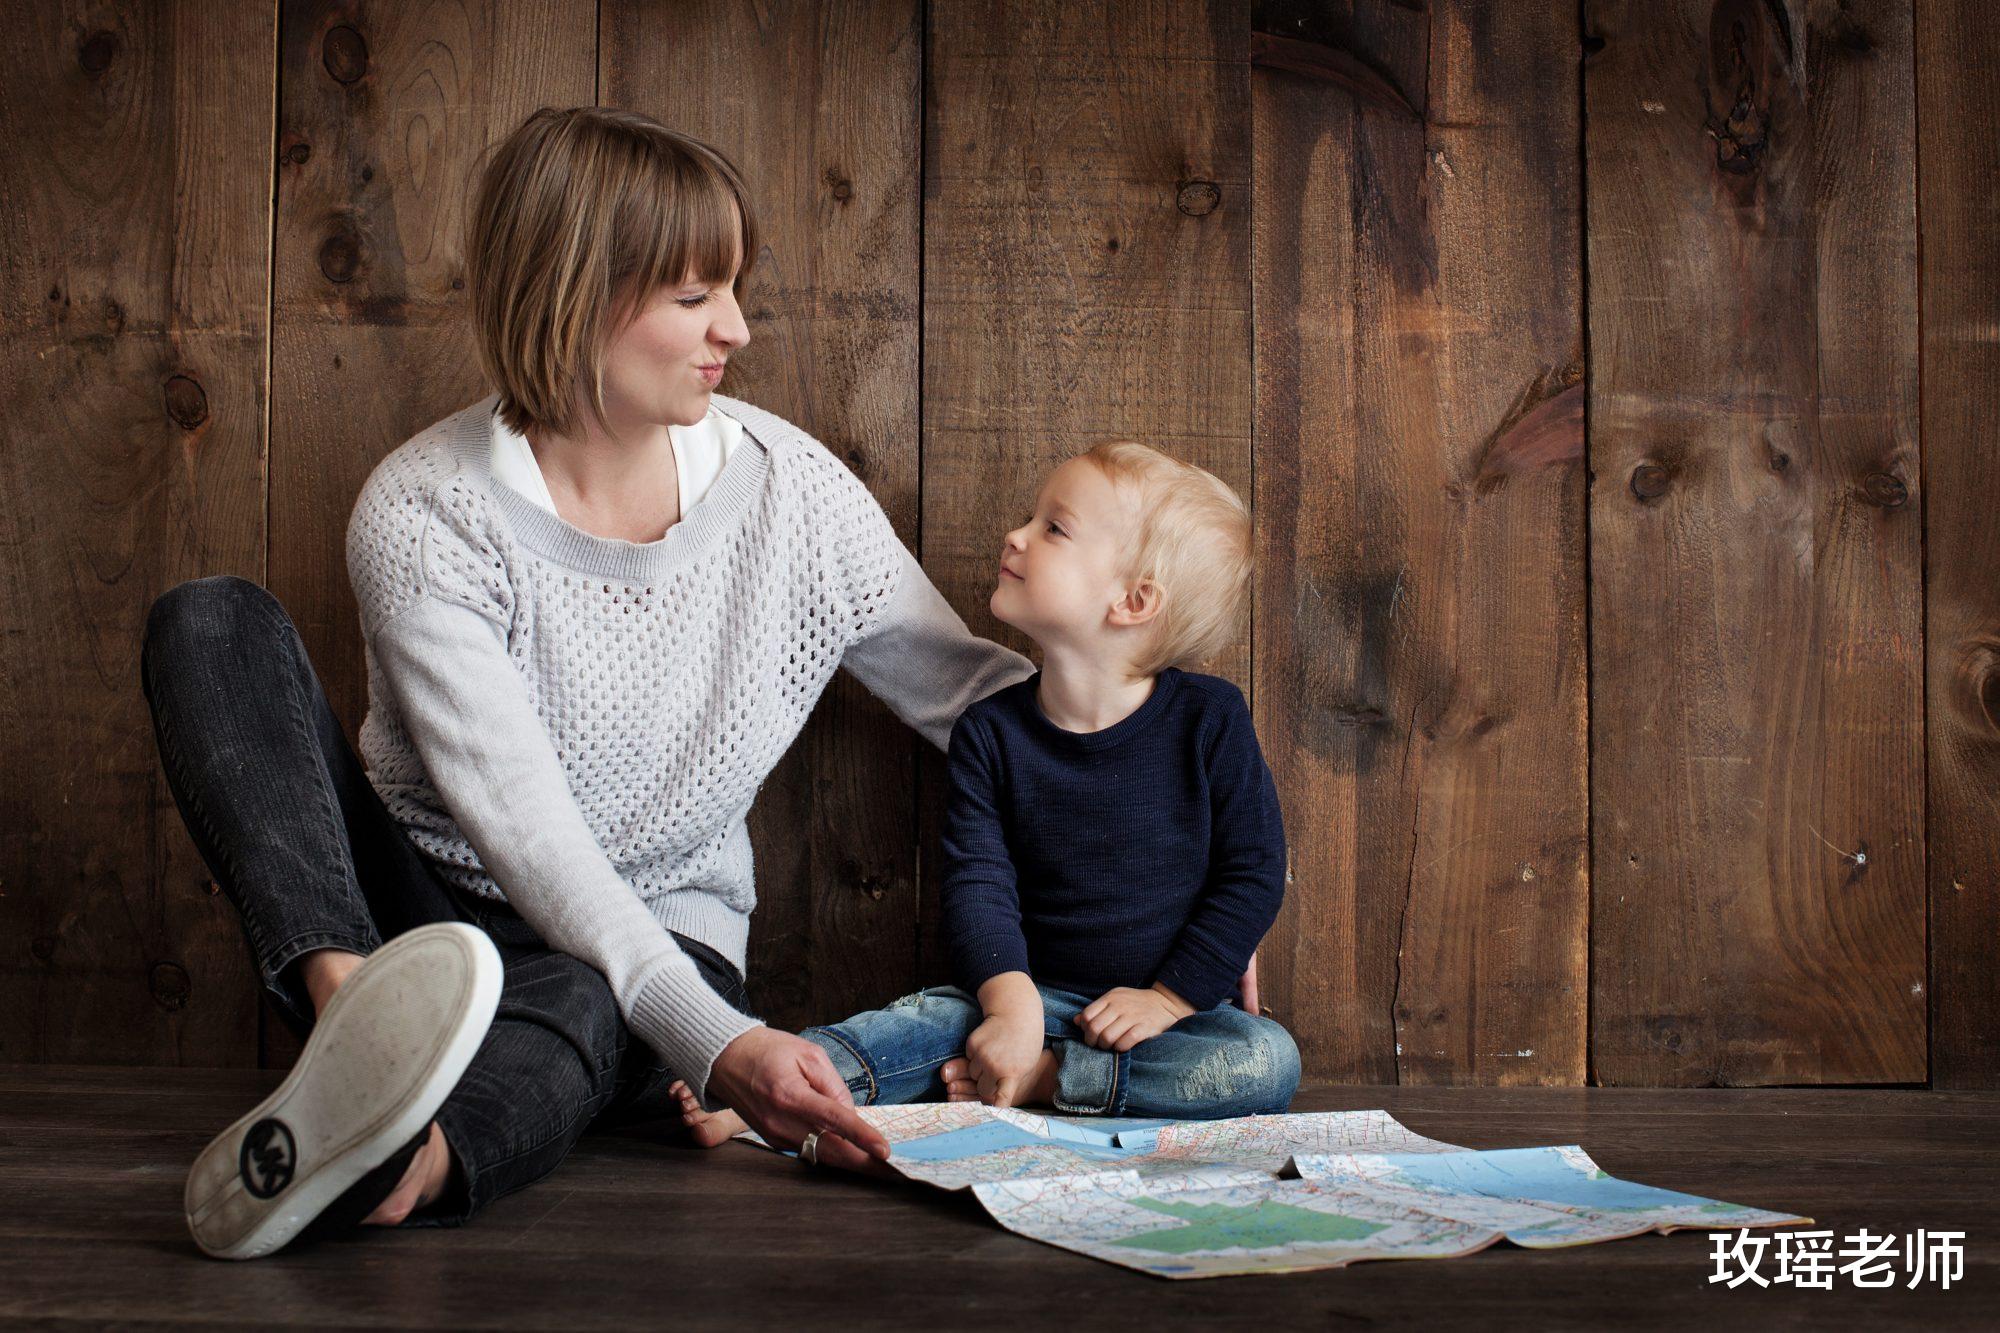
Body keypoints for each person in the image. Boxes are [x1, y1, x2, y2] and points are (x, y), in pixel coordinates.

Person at [141, 105, 1038, 1259]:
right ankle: (357, 1024)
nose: (738, 329)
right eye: (692, 296)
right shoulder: (426, 512)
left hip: (652, 943)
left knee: (580, 992)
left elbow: (973, 697)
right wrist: (719, 1049)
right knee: (209, 621)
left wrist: (1177, 828)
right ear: (577, 294)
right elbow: (528, 833)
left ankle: (404, 1157)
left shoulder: (793, 497)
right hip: (417, 914)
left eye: (732, 288)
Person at [673, 440, 1298, 1148]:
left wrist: (1171, 997)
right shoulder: (992, 733)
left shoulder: (1209, 720)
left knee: (1265, 1060)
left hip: (1162, 1022)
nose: (1017, 534)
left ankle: (1050, 1080)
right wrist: (1010, 1005)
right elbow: (979, 883)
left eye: (1053, 528)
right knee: (918, 1024)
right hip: (1025, 993)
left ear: (1133, 600)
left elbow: (1252, 872)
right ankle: (773, 1090)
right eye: (1032, 517)